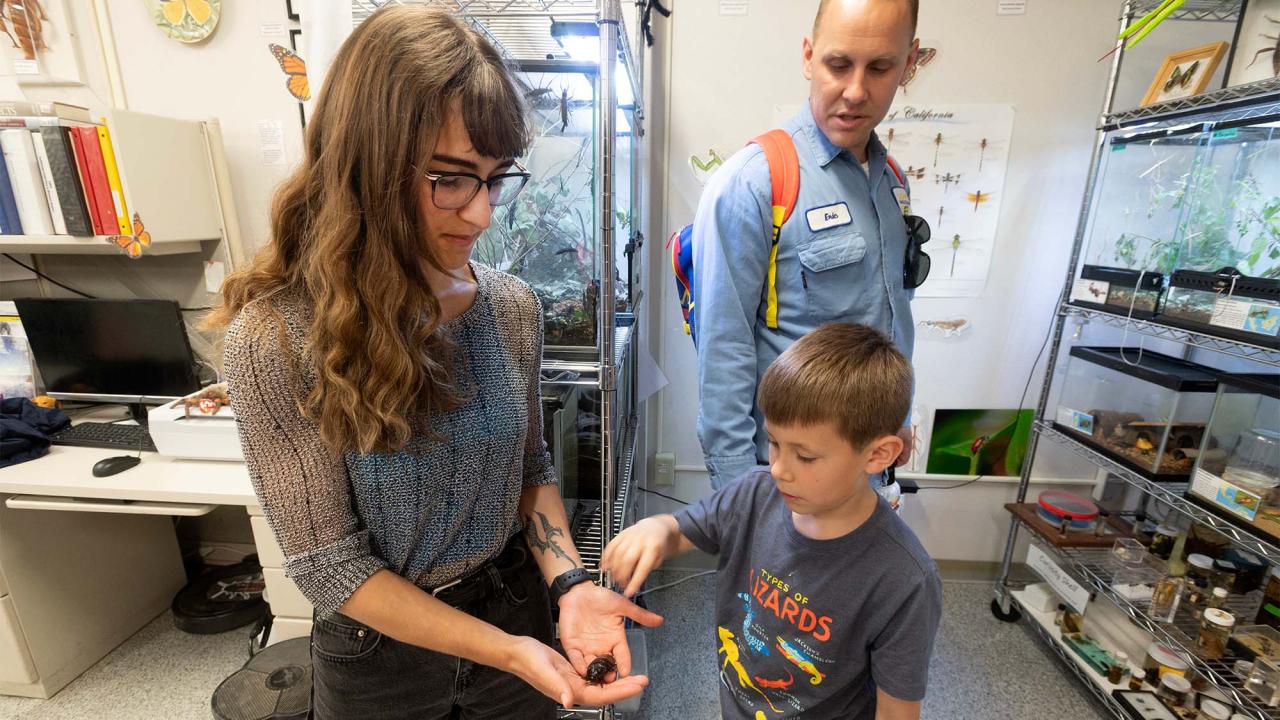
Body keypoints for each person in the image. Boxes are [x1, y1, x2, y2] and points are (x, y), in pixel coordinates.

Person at [207, 6, 660, 718]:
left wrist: (570, 586)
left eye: (494, 179)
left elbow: (530, 469)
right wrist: (507, 650)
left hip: (513, 606)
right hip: (378, 655)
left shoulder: (510, 309)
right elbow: (329, 564)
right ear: (367, 167)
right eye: (450, 179)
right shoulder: (277, 339)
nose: (481, 215)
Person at [603, 323, 942, 719]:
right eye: (775, 443)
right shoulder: (754, 493)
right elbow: (683, 532)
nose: (779, 469)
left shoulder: (905, 580)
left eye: (806, 456)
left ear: (878, 455)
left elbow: (897, 712)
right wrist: (658, 528)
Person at [693, 0, 924, 489]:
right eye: (838, 64)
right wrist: (738, 495)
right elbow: (723, 349)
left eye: (880, 68)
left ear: (908, 64)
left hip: (868, 470)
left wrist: (898, 419)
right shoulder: (755, 182)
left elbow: (893, 314)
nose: (855, 91)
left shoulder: (892, 181)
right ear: (807, 57)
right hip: (786, 482)